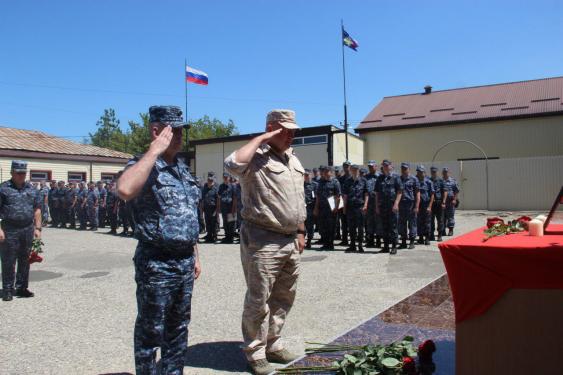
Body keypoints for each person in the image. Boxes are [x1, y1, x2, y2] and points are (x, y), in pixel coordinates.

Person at [117, 105, 202, 375]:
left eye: (181, 130)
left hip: (184, 262)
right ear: (156, 130)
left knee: (178, 329)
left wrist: (196, 256)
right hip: (156, 264)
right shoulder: (142, 164)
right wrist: (153, 151)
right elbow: (124, 189)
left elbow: (189, 215)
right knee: (151, 331)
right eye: (173, 130)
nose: (179, 136)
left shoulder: (182, 170)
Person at [224, 109, 305, 375]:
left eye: (294, 130)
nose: (291, 135)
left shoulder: (292, 159)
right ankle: (255, 352)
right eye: (286, 130)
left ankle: (273, 343)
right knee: (259, 299)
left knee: (283, 298)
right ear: (271, 128)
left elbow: (298, 199)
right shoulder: (255, 157)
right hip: (263, 240)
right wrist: (262, 138)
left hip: (290, 240)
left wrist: (301, 231)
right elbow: (231, 164)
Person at [0, 161, 42, 301]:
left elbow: (37, 209)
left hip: (27, 229)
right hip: (9, 229)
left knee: (25, 260)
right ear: (12, 172)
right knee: (8, 260)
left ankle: (22, 288)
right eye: (18, 173)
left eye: (23, 173)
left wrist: (38, 228)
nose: (21, 175)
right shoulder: (3, 189)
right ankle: (7, 289)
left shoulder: (31, 189)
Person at [375, 160, 403, 254]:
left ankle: (394, 246)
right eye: (384, 166)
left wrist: (396, 204)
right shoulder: (380, 178)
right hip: (382, 206)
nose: (386, 167)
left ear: (391, 166)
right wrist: (377, 206)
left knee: (393, 227)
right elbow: (377, 193)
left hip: (392, 206)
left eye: (387, 166)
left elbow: (399, 192)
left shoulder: (396, 177)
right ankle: (386, 246)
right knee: (384, 226)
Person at [314, 166, 341, 251]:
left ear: (331, 172)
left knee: (331, 227)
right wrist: (316, 208)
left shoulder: (335, 182)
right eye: (324, 172)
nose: (325, 173)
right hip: (322, 208)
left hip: (331, 208)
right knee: (323, 226)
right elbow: (317, 196)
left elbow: (338, 196)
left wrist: (336, 207)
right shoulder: (320, 182)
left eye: (327, 172)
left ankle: (331, 244)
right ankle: (325, 243)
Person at [343, 165, 368, 253]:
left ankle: (360, 245)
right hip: (350, 207)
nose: (354, 171)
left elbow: (366, 194)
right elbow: (345, 195)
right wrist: (344, 207)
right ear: (350, 170)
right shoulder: (347, 181)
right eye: (353, 170)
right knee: (351, 227)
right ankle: (352, 244)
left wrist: (365, 205)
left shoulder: (363, 180)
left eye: (356, 170)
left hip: (360, 207)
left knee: (360, 227)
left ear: (358, 171)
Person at [398, 163, 420, 250]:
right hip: (401, 204)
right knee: (401, 224)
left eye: (405, 168)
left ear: (409, 169)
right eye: (402, 168)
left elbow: (417, 193)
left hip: (411, 204)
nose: (404, 170)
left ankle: (411, 241)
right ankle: (403, 242)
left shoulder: (414, 179)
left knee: (412, 223)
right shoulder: (398, 179)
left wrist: (417, 206)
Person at [415, 165, 434, 245]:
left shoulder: (429, 182)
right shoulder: (415, 181)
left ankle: (427, 238)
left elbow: (432, 194)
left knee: (427, 222)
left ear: (424, 172)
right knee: (419, 221)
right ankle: (421, 237)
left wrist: (430, 206)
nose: (419, 173)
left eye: (421, 172)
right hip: (418, 205)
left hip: (426, 204)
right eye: (418, 172)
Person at [365, 161, 381, 248]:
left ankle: (378, 240)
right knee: (369, 222)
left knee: (378, 221)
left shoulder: (380, 177)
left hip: (378, 203)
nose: (370, 168)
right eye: (369, 166)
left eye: (372, 166)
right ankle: (370, 240)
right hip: (369, 203)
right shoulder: (365, 177)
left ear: (376, 166)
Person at [217, 172, 237, 243]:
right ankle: (227, 237)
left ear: (229, 178)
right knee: (225, 223)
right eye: (224, 177)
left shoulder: (233, 186)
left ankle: (230, 238)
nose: (225, 178)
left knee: (231, 223)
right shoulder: (221, 186)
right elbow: (219, 197)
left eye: (226, 177)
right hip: (223, 208)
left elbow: (234, 198)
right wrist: (218, 208)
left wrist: (233, 209)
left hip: (230, 208)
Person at [429, 167, 446, 242]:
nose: (433, 173)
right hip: (431, 203)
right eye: (432, 172)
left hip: (439, 202)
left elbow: (445, 192)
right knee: (431, 220)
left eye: (435, 172)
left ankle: (439, 235)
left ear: (437, 172)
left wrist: (443, 202)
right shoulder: (428, 180)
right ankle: (431, 234)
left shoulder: (441, 181)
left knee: (440, 220)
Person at [202, 172, 219, 243]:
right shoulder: (204, 188)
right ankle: (209, 236)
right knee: (207, 222)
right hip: (206, 209)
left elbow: (218, 200)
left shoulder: (215, 188)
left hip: (213, 209)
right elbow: (203, 199)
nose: (210, 182)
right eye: (209, 180)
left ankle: (214, 236)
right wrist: (202, 209)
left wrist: (217, 210)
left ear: (213, 181)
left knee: (214, 223)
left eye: (211, 180)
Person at [337, 161, 351, 246]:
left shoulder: (353, 178)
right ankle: (344, 239)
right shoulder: (341, 179)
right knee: (344, 222)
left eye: (347, 166)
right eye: (345, 166)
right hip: (342, 203)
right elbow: (338, 192)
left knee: (352, 223)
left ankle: (354, 239)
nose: (346, 168)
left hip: (351, 203)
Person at [442, 167, 459, 236]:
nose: (445, 173)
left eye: (446, 172)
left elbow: (456, 191)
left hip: (450, 201)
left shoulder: (453, 181)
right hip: (442, 201)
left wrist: (455, 199)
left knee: (450, 216)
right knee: (442, 216)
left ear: (449, 173)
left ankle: (450, 230)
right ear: (442, 173)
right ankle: (442, 230)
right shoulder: (440, 180)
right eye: (444, 172)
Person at [303, 169, 317, 249]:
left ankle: (309, 241)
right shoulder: (300, 185)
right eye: (305, 175)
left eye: (307, 175)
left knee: (310, 226)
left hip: (311, 208)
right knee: (302, 226)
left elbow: (317, 198)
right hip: (302, 208)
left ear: (311, 175)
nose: (306, 177)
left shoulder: (315, 185)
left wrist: (316, 208)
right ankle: (302, 240)